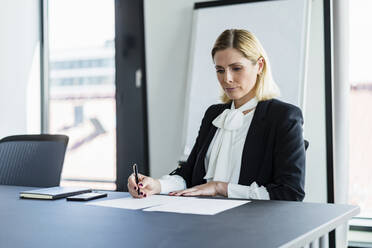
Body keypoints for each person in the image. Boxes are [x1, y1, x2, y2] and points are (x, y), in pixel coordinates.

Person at [128, 29, 305, 201]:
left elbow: (290, 192)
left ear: (259, 66)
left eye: (236, 68)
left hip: (254, 225)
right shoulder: (214, 114)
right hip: (203, 220)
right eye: (220, 70)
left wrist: (220, 188)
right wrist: (156, 185)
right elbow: (189, 174)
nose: (226, 78)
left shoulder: (283, 117)